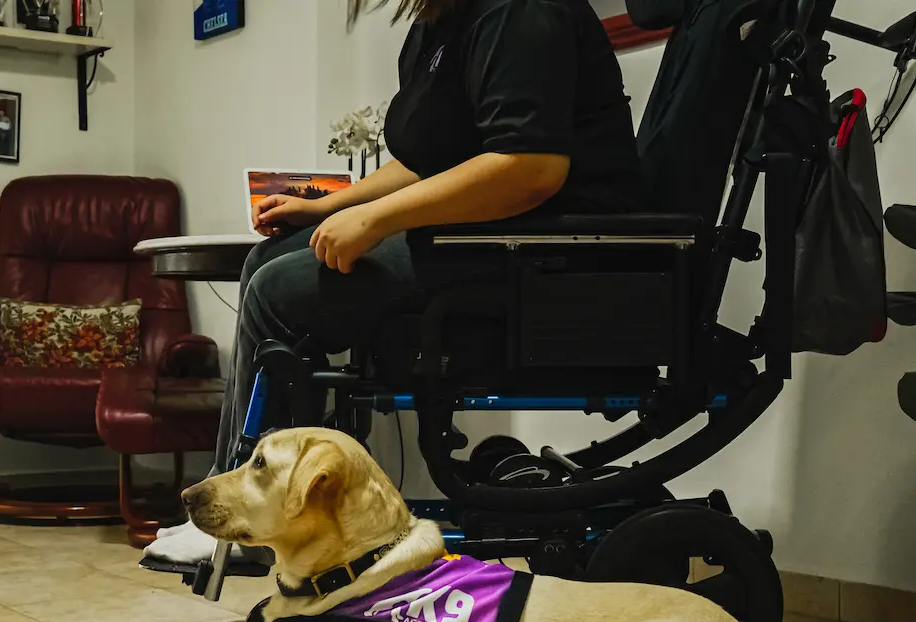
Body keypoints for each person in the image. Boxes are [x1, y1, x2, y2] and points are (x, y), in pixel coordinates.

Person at [147, 0, 645, 564]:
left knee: (279, 291)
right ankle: (238, 493)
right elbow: (422, 164)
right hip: (491, 238)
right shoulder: (441, 23)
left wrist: (379, 219)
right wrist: (328, 207)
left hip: (547, 254)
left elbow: (528, 169)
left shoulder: (521, 12)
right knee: (268, 258)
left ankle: (256, 521)